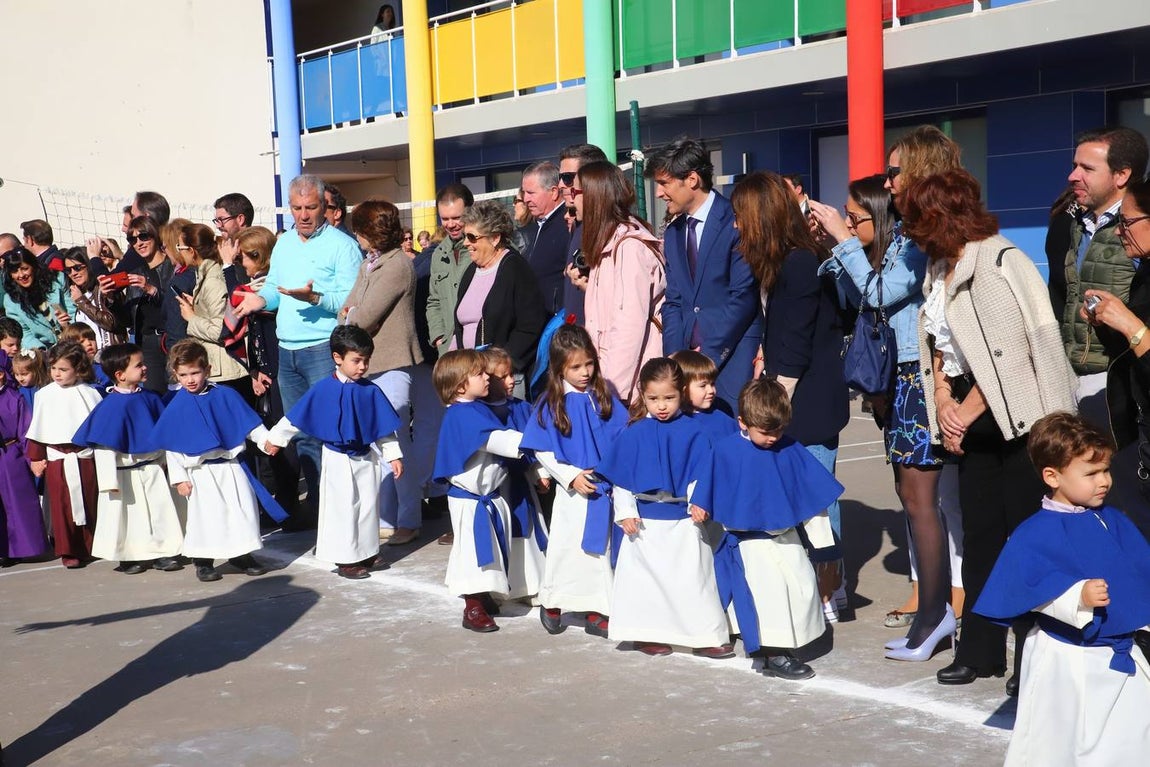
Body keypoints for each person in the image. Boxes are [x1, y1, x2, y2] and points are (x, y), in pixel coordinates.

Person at [907, 169, 1077, 686]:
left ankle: (1034, 655)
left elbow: (1015, 353)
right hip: (970, 418)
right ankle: (979, 650)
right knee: (981, 538)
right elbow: (939, 347)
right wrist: (942, 402)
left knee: (1027, 538)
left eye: (917, 218)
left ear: (941, 215)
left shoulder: (1001, 261)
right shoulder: (939, 265)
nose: (911, 230)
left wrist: (965, 410)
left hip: (1022, 421)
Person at [809, 131, 965, 646]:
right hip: (898, 382)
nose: (890, 182)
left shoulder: (922, 240)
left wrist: (844, 240)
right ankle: (932, 606)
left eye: (895, 172)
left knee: (924, 498)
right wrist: (835, 245)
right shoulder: (903, 238)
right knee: (909, 494)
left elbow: (878, 294)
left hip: (920, 381)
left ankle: (938, 612)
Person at [974, 412, 1150, 765]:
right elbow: (1027, 588)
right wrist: (1077, 597)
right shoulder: (1035, 532)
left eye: (1106, 470)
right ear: (1052, 476)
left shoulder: (1111, 517)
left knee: (1129, 739)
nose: (1104, 482)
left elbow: (1140, 573)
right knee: (1059, 743)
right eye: (1091, 473)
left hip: (1121, 656)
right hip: (1068, 662)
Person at [731, 171, 849, 618]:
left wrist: (770, 407)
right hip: (792, 395)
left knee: (815, 499)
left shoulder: (800, 262)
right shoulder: (779, 262)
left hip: (809, 402)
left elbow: (796, 344)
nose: (737, 226)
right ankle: (818, 584)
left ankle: (829, 587)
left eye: (742, 216)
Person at [691, 377, 844, 679]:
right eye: (766, 431)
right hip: (751, 545)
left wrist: (823, 544)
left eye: (779, 429)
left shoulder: (789, 448)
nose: (774, 437)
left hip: (787, 539)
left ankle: (782, 646)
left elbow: (813, 497)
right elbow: (703, 482)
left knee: (800, 591)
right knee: (767, 599)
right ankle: (773, 654)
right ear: (743, 423)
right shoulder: (726, 450)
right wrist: (699, 503)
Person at [235, 174, 363, 529]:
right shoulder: (286, 243)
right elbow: (276, 288)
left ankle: (339, 514)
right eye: (297, 208)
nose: (304, 215)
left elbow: (351, 303)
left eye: (311, 207)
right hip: (286, 351)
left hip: (323, 348)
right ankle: (320, 511)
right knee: (301, 434)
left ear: (324, 207)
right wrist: (261, 298)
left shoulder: (343, 245)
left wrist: (316, 298)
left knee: (331, 430)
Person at [595, 357, 731, 658]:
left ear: (681, 392)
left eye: (669, 397)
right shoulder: (634, 432)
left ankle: (704, 635)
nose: (662, 405)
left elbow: (701, 471)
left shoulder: (693, 432)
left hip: (682, 519)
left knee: (694, 575)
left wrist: (699, 501)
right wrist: (626, 511)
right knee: (645, 582)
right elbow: (622, 479)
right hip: (644, 521)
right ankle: (647, 634)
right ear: (642, 394)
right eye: (653, 398)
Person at [266, 326, 403, 580]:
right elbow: (296, 416)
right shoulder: (322, 389)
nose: (362, 366)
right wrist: (276, 438)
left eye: (366, 360)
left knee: (367, 506)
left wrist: (393, 454)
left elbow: (383, 427)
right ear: (337, 358)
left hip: (366, 457)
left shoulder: (370, 390)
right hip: (338, 459)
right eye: (356, 360)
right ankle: (346, 558)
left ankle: (367, 551)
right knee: (342, 509)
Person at [520, 325, 628, 638]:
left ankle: (597, 610)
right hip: (574, 493)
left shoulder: (602, 395)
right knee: (567, 548)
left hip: (604, 487)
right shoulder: (551, 402)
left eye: (589, 364)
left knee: (601, 551)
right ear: (559, 368)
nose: (585, 372)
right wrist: (570, 477)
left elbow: (621, 436)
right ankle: (553, 601)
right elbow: (542, 449)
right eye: (576, 367)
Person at [647, 137, 761, 411]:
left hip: (733, 360)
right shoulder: (674, 234)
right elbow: (673, 301)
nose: (660, 193)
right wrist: (676, 358)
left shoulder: (736, 221)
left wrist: (706, 357)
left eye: (664, 184)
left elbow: (743, 298)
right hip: (687, 369)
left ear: (692, 180)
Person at [148, 340, 275, 583]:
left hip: (231, 467)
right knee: (205, 517)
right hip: (200, 472)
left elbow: (248, 423)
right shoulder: (176, 406)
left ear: (207, 369)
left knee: (241, 512)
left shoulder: (225, 395)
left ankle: (242, 554)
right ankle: (203, 561)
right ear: (176, 374)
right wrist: (179, 478)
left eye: (195, 372)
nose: (190, 379)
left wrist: (266, 440)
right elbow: (173, 446)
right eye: (184, 375)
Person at [345, 199, 424, 547]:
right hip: (370, 364)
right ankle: (386, 517)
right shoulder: (369, 264)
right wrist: (352, 314)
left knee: (395, 445)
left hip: (393, 365)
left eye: (359, 231)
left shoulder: (395, 267)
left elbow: (361, 316)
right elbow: (347, 311)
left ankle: (408, 518)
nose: (357, 238)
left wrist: (353, 314)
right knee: (377, 447)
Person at [432, 349, 529, 632]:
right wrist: (542, 439)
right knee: (472, 553)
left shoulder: (475, 408)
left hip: (488, 494)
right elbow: (498, 441)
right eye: (479, 374)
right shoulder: (462, 415)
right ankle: (472, 606)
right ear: (461, 385)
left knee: (489, 549)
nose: (487, 376)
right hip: (471, 500)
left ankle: (483, 596)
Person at [1058, 127, 1149, 427]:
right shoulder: (1073, 223)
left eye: (1087, 168)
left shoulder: (1140, 233)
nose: (1073, 176)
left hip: (1120, 382)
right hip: (1072, 380)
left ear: (1121, 175)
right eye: (1074, 166)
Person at [72, 343, 183, 575]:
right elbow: (103, 445)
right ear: (120, 375)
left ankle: (163, 553)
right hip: (123, 474)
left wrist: (164, 461)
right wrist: (108, 481)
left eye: (143, 363)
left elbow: (164, 432)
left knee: (159, 513)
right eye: (138, 365)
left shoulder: (151, 398)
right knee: (126, 518)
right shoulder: (109, 407)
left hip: (151, 468)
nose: (144, 368)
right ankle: (128, 556)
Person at [1079, 175, 1150, 538]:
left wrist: (1130, 323)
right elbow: (1132, 350)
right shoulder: (1145, 273)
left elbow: (1142, 339)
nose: (1120, 231)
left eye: (1128, 221)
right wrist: (1108, 320)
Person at [575, 160, 665, 403]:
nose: (571, 200)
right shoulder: (608, 244)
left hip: (629, 389)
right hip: (609, 380)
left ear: (595, 196)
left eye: (576, 192)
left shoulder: (629, 248)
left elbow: (629, 327)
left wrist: (612, 393)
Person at [232, 226, 301, 522]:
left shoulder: (273, 288)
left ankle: (292, 504)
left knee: (288, 437)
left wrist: (270, 368)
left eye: (243, 259)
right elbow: (250, 336)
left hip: (282, 367)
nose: (240, 265)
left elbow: (269, 330)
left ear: (258, 257)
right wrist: (255, 370)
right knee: (271, 435)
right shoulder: (252, 288)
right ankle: (284, 502)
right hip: (265, 371)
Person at [453, 200, 548, 393]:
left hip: (503, 381)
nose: (465, 243)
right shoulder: (471, 271)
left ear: (495, 238)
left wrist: (500, 367)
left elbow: (530, 326)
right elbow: (461, 327)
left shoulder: (515, 269)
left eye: (472, 237)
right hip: (470, 380)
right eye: (465, 236)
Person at [24, 342, 103, 568]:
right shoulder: (45, 395)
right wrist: (37, 458)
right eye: (53, 368)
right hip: (58, 458)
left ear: (77, 369)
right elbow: (38, 429)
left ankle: (89, 545)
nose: (56, 374)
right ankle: (67, 549)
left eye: (63, 369)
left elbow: (97, 430)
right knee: (62, 506)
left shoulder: (90, 393)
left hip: (84, 457)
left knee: (89, 501)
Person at [480, 347, 548, 600]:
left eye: (512, 374)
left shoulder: (521, 408)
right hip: (495, 487)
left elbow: (536, 446)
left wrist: (539, 471)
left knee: (526, 533)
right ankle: (499, 587)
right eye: (503, 376)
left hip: (520, 484)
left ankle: (529, 584)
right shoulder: (478, 411)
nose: (511, 381)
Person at [166, 222, 251, 390]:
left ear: (192, 251)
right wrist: (197, 307)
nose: (178, 251)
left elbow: (222, 330)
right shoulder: (206, 274)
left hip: (226, 373)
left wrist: (192, 318)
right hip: (219, 368)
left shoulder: (213, 280)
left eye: (180, 247)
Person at [104, 215, 172, 394]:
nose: (138, 243)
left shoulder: (173, 266)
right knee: (154, 394)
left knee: (180, 393)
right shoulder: (135, 273)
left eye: (144, 236)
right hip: (147, 343)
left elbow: (178, 306)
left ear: (155, 236)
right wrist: (111, 299)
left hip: (173, 339)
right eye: (132, 239)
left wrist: (151, 289)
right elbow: (127, 319)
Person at [0, 350, 49, 565]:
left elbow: (25, 431)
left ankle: (18, 548)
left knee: (16, 504)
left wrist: (32, 459)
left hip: (10, 455)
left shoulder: (14, 397)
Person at [558, 142, 610, 325]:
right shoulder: (577, 223)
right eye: (560, 177)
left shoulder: (610, 228)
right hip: (576, 341)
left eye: (567, 178)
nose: (560, 185)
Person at [426, 184, 475, 357]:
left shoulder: (485, 248)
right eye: (445, 219)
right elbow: (434, 301)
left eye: (456, 218)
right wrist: (439, 336)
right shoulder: (438, 254)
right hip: (449, 352)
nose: (450, 224)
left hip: (480, 348)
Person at [0, 246, 75, 349]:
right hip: (43, 349)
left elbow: (72, 309)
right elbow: (24, 333)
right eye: (15, 271)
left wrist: (68, 327)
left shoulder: (57, 279)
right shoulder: (11, 301)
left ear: (34, 267)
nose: (21, 275)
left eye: (25, 269)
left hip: (71, 337)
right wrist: (41, 351)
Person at [518, 161, 569, 313]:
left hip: (558, 320)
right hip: (533, 319)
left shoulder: (568, 224)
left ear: (554, 192)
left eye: (531, 193)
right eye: (524, 193)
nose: (526, 199)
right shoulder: (530, 228)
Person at [63, 247, 125, 354]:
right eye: (68, 270)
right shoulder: (77, 294)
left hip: (112, 355)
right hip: (91, 359)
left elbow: (111, 322)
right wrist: (65, 325)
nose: (73, 273)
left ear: (89, 266)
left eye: (77, 268)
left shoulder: (103, 288)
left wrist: (82, 301)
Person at [670, 350, 737, 444]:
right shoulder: (671, 422)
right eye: (703, 386)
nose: (711, 391)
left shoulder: (723, 421)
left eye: (712, 384)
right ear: (682, 389)